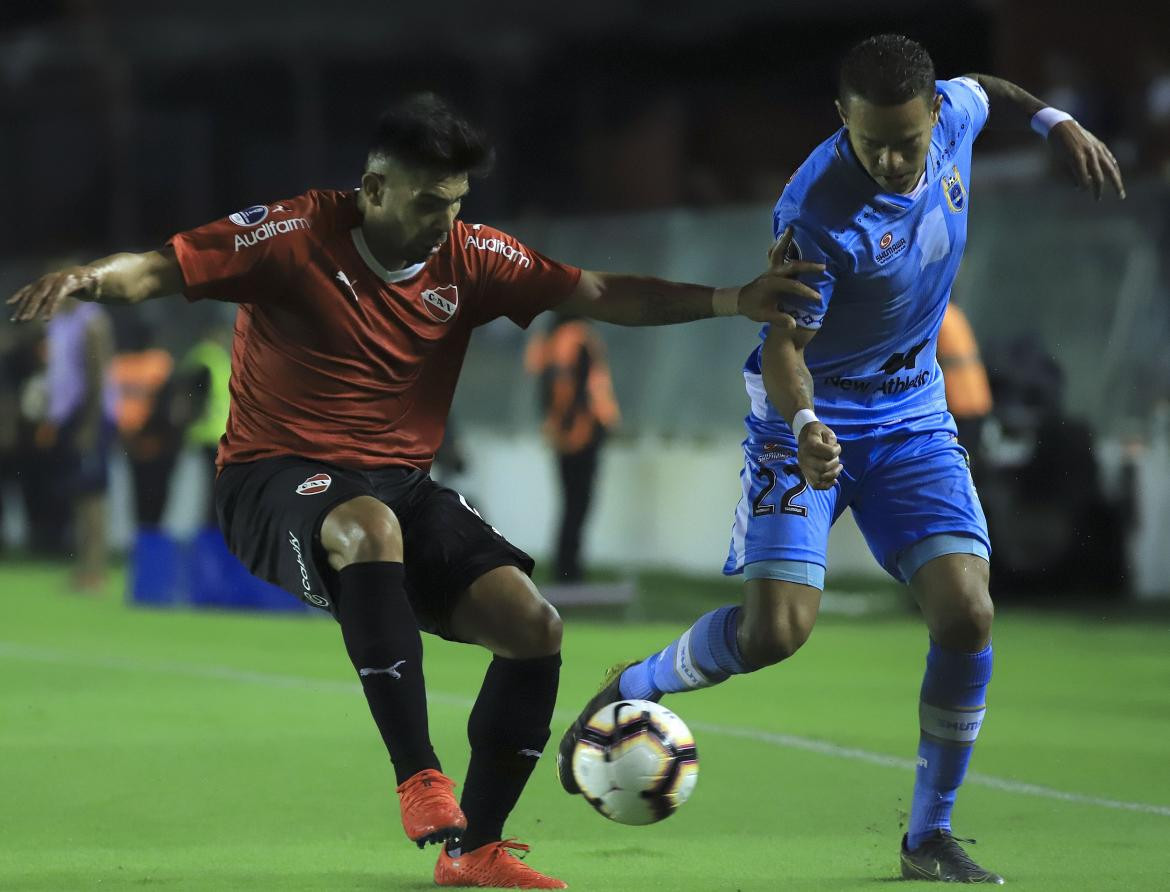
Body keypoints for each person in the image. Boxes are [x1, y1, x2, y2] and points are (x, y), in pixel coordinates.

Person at [7, 93, 822, 889]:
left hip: (399, 484)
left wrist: (729, 301)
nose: (447, 222)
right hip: (269, 480)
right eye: (433, 202)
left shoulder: (472, 258)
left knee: (532, 625)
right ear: (372, 191)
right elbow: (157, 269)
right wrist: (85, 278)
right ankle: (416, 774)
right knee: (366, 527)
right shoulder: (292, 236)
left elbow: (598, 293)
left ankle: (474, 851)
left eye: (459, 203)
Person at [556, 34, 1124, 885]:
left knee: (969, 613)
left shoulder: (955, 113)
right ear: (841, 124)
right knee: (775, 634)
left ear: (936, 114)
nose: (893, 161)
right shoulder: (815, 209)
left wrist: (1054, 119)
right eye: (871, 143)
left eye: (908, 141)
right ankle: (636, 681)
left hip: (914, 418)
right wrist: (812, 421)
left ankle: (927, 836)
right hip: (805, 423)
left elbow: (991, 84)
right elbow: (783, 345)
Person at [524, 312, 621, 581]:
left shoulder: (550, 338)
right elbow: (576, 387)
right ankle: (569, 572)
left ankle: (566, 568)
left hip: (564, 433)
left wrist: (557, 427)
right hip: (582, 432)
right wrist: (579, 425)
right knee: (578, 504)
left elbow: (546, 386)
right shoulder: (577, 336)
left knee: (570, 504)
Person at [44, 295, 117, 589]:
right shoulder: (60, 321)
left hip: (90, 415)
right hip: (68, 417)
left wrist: (89, 425)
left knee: (92, 497)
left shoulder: (92, 321)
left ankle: (96, 572)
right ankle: (83, 567)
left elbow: (98, 376)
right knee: (79, 495)